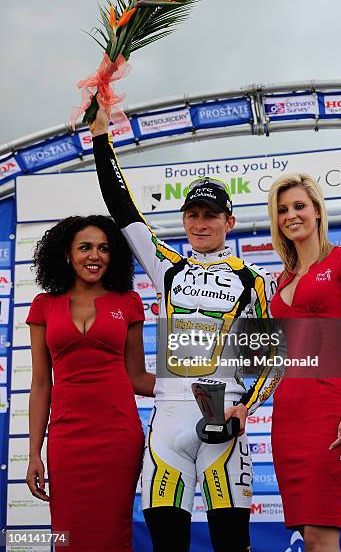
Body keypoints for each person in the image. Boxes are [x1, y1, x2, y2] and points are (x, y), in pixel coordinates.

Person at [90, 108, 282, 552]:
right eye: (192, 214)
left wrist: (244, 408)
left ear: (228, 222)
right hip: (168, 422)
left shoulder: (251, 278)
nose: (200, 223)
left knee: (232, 545)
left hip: (223, 420)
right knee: (167, 545)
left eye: (210, 215)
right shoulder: (168, 269)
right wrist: (102, 137)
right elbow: (124, 210)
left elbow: (273, 360)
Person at [26, 215, 154, 552]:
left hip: (117, 437)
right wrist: (33, 453)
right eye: (85, 247)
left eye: (103, 248)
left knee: (114, 535)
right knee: (67, 537)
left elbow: (137, 378)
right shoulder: (44, 306)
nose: (94, 255)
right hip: (67, 439)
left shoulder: (128, 302)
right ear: (67, 253)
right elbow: (41, 384)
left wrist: (194, 385)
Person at [268, 173, 341, 552]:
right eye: (282, 210)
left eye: (299, 206)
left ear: (316, 211)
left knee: (320, 536)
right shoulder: (280, 281)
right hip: (287, 415)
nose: (291, 215)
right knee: (306, 536)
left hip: (331, 409)